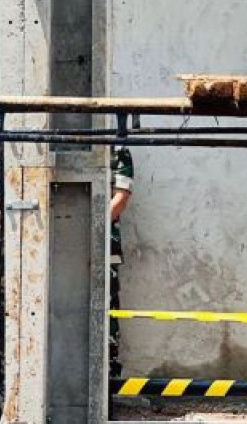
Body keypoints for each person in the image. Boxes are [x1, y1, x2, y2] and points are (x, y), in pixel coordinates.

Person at [108, 148, 134, 379]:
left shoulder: (118, 152)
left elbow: (121, 197)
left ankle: (107, 380)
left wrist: (91, 223)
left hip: (104, 248)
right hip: (60, 247)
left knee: (106, 314)